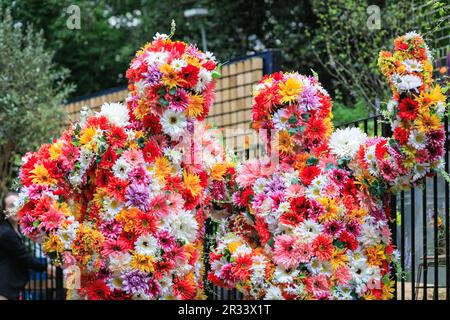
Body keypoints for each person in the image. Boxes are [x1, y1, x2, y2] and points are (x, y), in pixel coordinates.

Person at [0, 191, 47, 300]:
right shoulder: (5, 232)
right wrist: (46, 268)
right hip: (3, 288)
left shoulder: (16, 230)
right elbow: (25, 257)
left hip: (10, 288)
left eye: (18, 204)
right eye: (11, 206)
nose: (16, 209)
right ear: (4, 210)